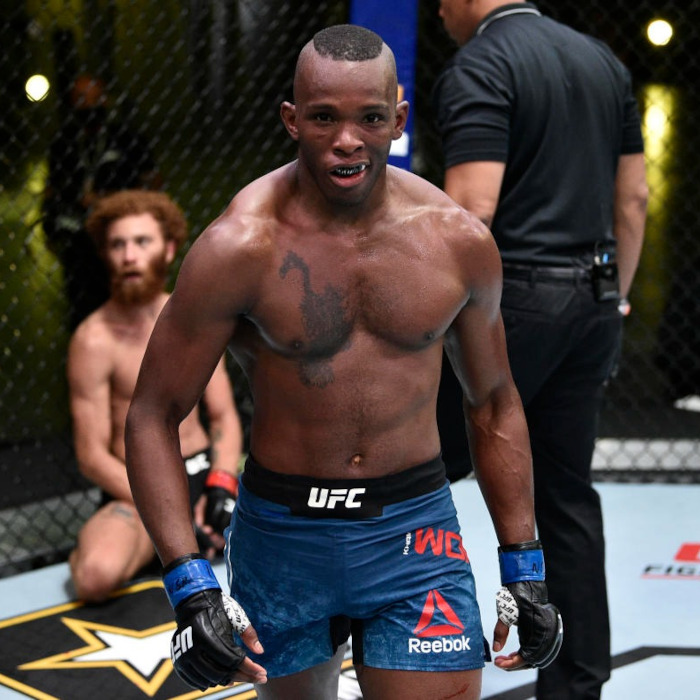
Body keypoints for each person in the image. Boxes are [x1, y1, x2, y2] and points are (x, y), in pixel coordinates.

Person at [125, 25, 562, 699]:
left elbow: (494, 400)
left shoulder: (456, 243)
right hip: (283, 537)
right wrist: (190, 585)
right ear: (291, 119)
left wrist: (524, 565)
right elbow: (154, 413)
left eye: (370, 118)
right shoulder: (240, 247)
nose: (348, 140)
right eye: (324, 117)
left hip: (415, 533)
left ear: (400, 120)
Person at [432, 3, 648, 698]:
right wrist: (615, 297)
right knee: (564, 493)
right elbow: (634, 200)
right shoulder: (601, 60)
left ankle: (396, 655)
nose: (439, 9)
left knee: (409, 469)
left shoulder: (482, 63)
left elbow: (472, 212)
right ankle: (576, 686)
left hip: (513, 301)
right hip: (592, 299)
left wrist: (419, 324)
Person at [66, 189, 243, 603]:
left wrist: (221, 487)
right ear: (105, 255)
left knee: (303, 547)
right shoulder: (93, 340)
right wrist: (167, 511)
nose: (129, 256)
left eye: (141, 242)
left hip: (203, 476)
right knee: (95, 575)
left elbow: (223, 417)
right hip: (137, 487)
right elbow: (91, 455)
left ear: (168, 249)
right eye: (118, 245)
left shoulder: (193, 320)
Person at [43, 74, 162, 329]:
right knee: (84, 309)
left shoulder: (125, 137)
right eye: (81, 99)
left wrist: (114, 200)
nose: (88, 106)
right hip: (79, 237)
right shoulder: (64, 142)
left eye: (94, 99)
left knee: (128, 302)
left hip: (123, 231)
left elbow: (153, 182)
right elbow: (51, 189)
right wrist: (50, 225)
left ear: (106, 100)